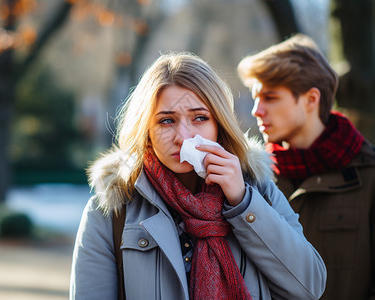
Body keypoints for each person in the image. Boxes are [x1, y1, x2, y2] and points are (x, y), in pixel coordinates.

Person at [70, 52, 326, 299]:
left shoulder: (260, 194)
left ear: (219, 125)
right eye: (166, 121)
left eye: (200, 117)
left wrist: (243, 204)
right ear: (146, 130)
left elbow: (310, 287)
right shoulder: (111, 212)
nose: (184, 137)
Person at [237, 34, 375, 300]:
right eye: (255, 98)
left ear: (311, 99)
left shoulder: (369, 176)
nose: (256, 110)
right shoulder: (248, 180)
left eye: (270, 97)